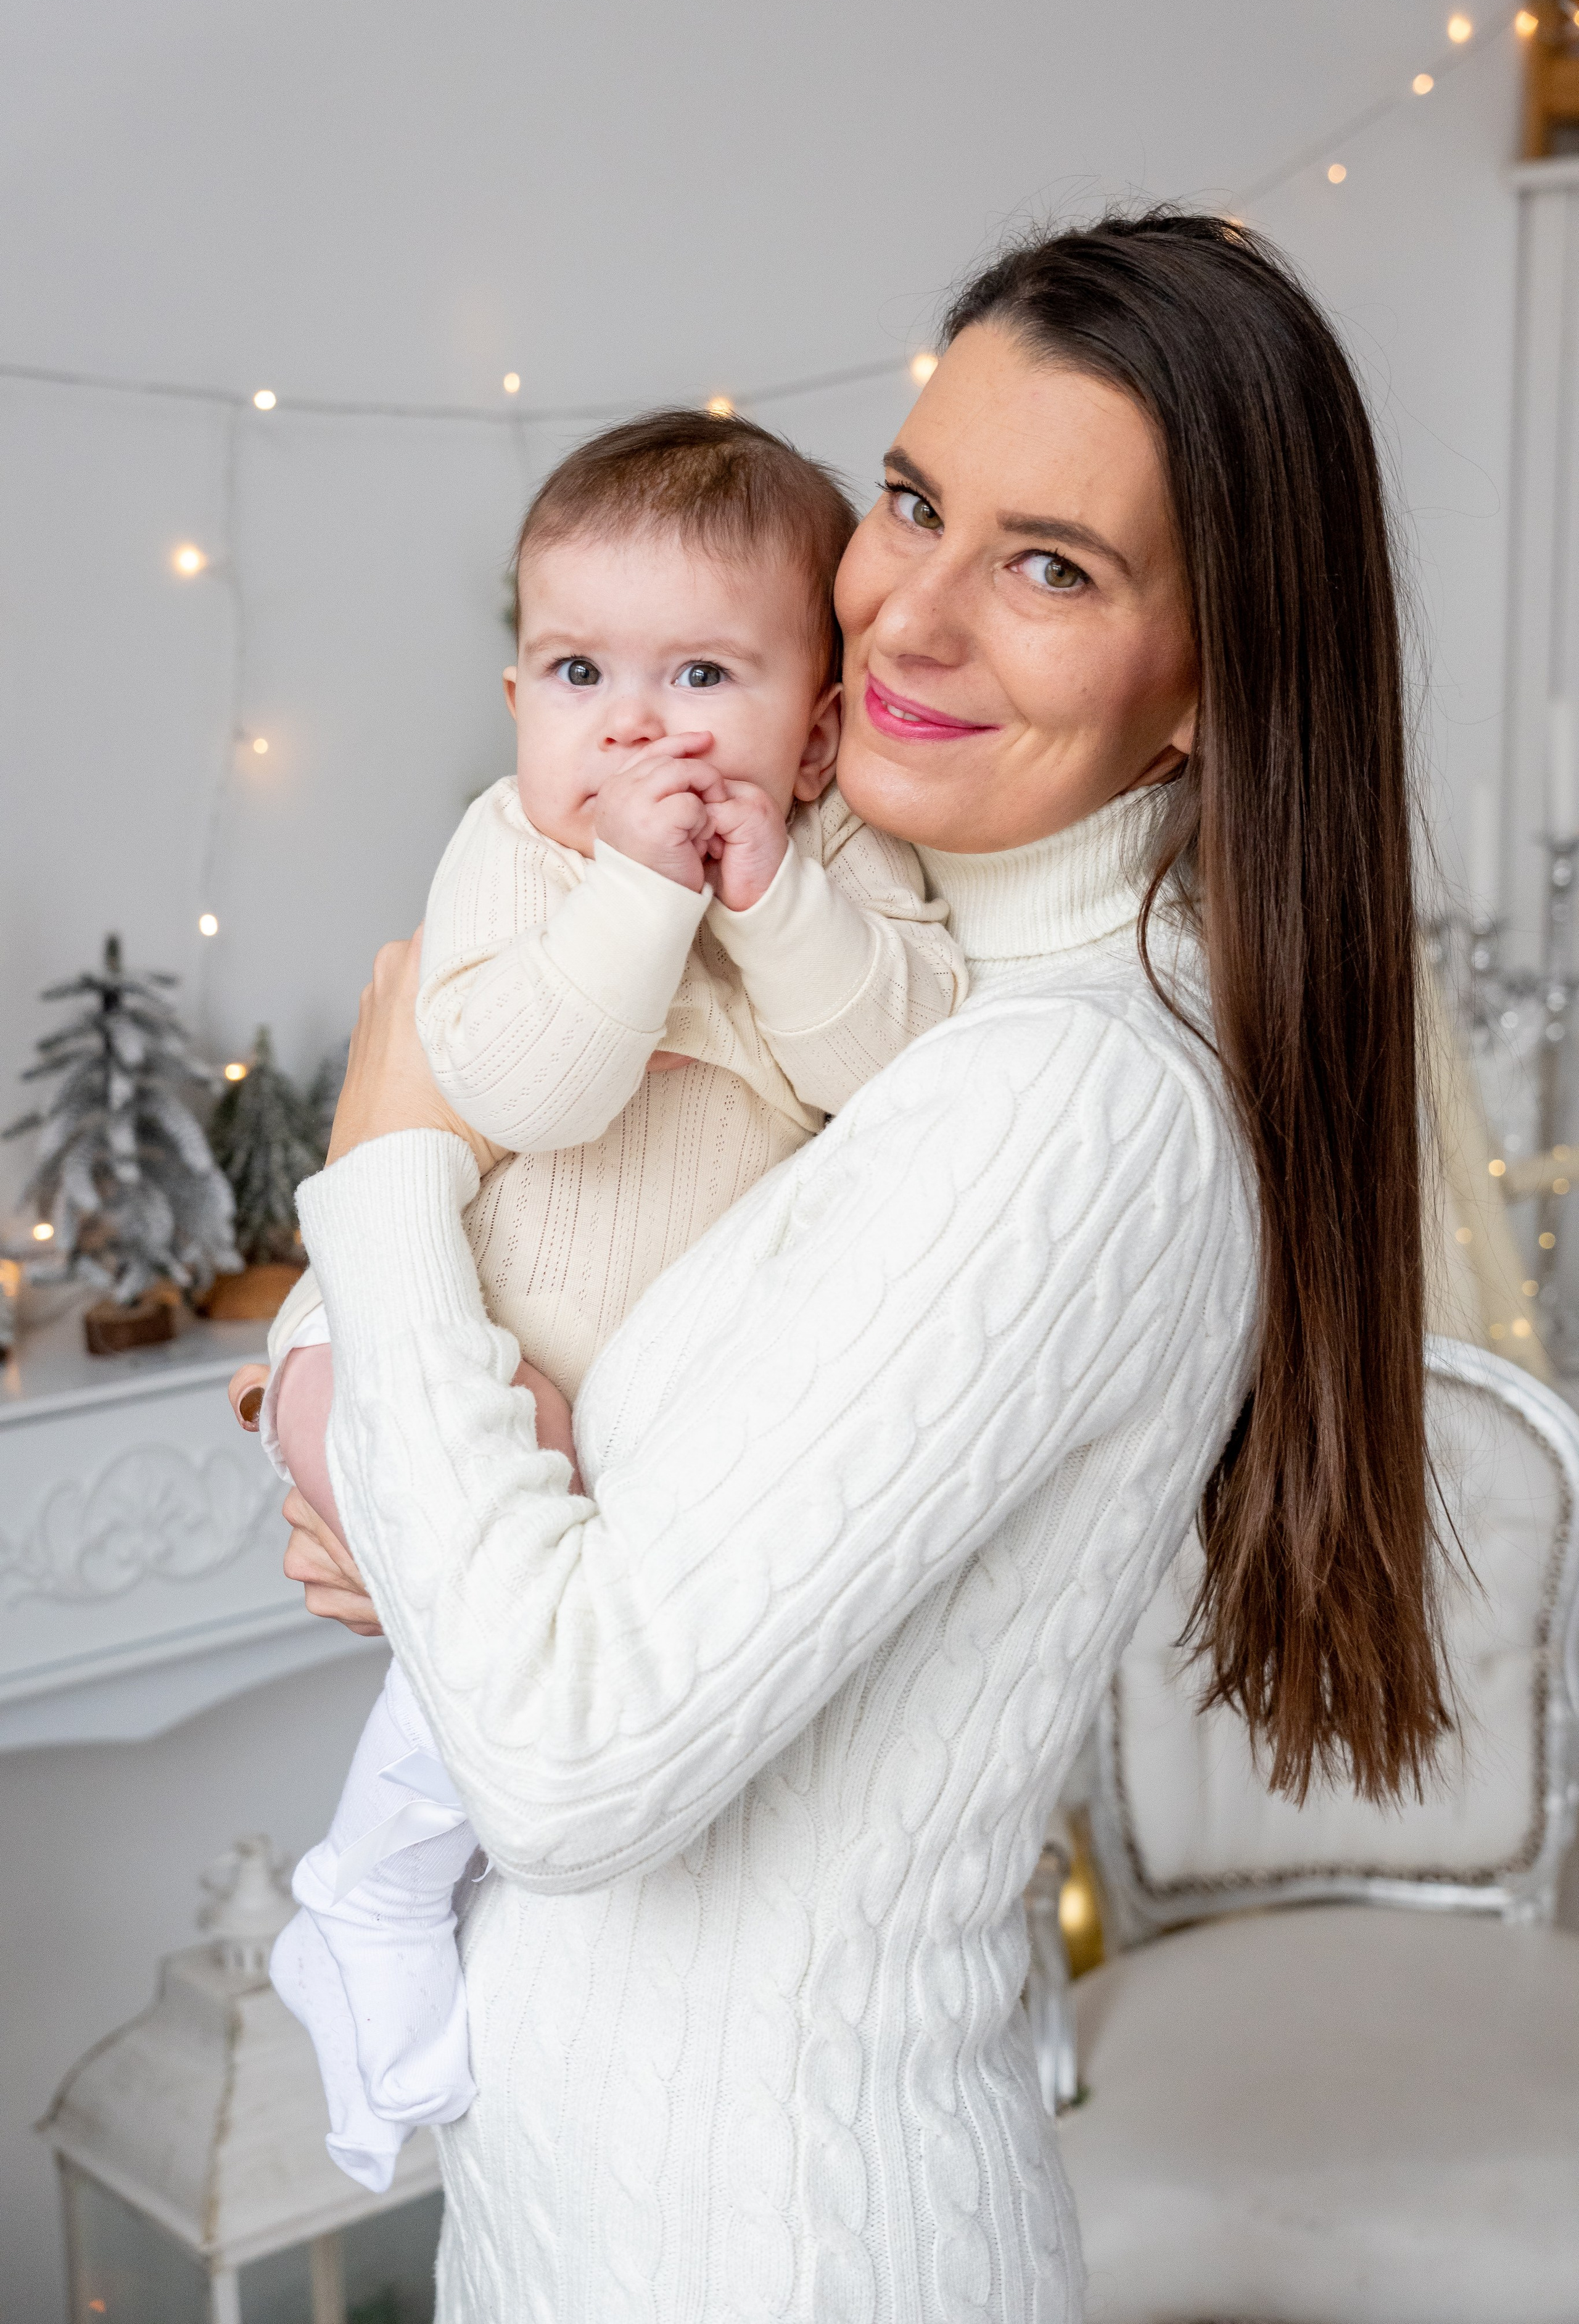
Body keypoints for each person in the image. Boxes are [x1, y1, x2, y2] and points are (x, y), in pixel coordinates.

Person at [262, 210, 1446, 2322]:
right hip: (607, 2218)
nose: (906, 610)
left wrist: (380, 1163)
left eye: (1052, 568)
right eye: (912, 501)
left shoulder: (1066, 1101)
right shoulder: (879, 958)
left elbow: (566, 1756)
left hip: (768, 2251)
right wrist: (351, 1418)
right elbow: (580, 1340)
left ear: (1210, 687)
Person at [239, 411, 968, 2191]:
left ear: (817, 729)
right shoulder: (519, 849)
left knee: (539, 1621)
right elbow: (523, 1088)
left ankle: (374, 1887)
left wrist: (773, 900)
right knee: (477, 1511)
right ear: (518, 703)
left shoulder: (845, 869)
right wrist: (641, 891)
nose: (634, 728)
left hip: (608, 1437)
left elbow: (899, 1066)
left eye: (700, 675)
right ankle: (380, 1892)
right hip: (404, 1326)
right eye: (581, 674)